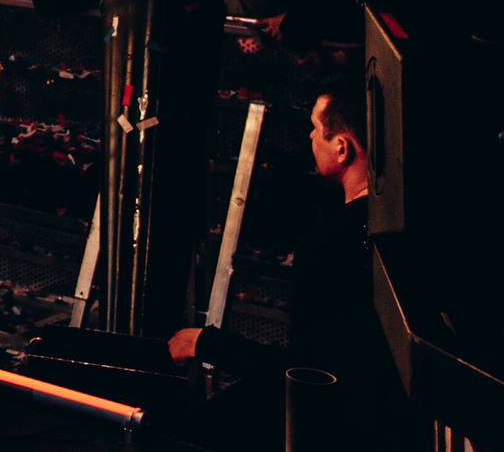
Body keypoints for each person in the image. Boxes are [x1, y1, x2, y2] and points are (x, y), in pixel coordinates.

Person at [170, 77, 401, 427]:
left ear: (342, 148)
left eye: (314, 128)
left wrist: (205, 343)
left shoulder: (328, 245)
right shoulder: (405, 231)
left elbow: (308, 372)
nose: (309, 137)